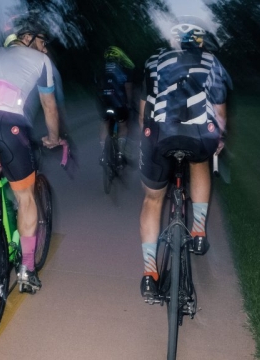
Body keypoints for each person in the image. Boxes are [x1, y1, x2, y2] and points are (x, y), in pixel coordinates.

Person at [0, 15, 62, 293]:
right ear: (27, 39)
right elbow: (49, 108)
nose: (46, 49)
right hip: (8, 127)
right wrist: (53, 138)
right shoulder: (42, 63)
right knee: (25, 196)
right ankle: (27, 269)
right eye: (42, 42)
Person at [137, 16, 232, 298]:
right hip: (198, 136)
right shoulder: (211, 61)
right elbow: (220, 111)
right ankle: (199, 232)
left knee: (152, 199)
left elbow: (145, 108)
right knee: (201, 160)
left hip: (158, 135)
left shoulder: (154, 60)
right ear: (199, 40)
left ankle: (149, 274)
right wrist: (220, 140)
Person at [97, 46, 134, 168]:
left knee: (105, 124)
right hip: (119, 105)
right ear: (118, 58)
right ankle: (120, 154)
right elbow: (128, 88)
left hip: (104, 104)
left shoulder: (101, 69)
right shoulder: (124, 70)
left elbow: (97, 87)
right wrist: (129, 103)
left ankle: (103, 153)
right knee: (123, 126)